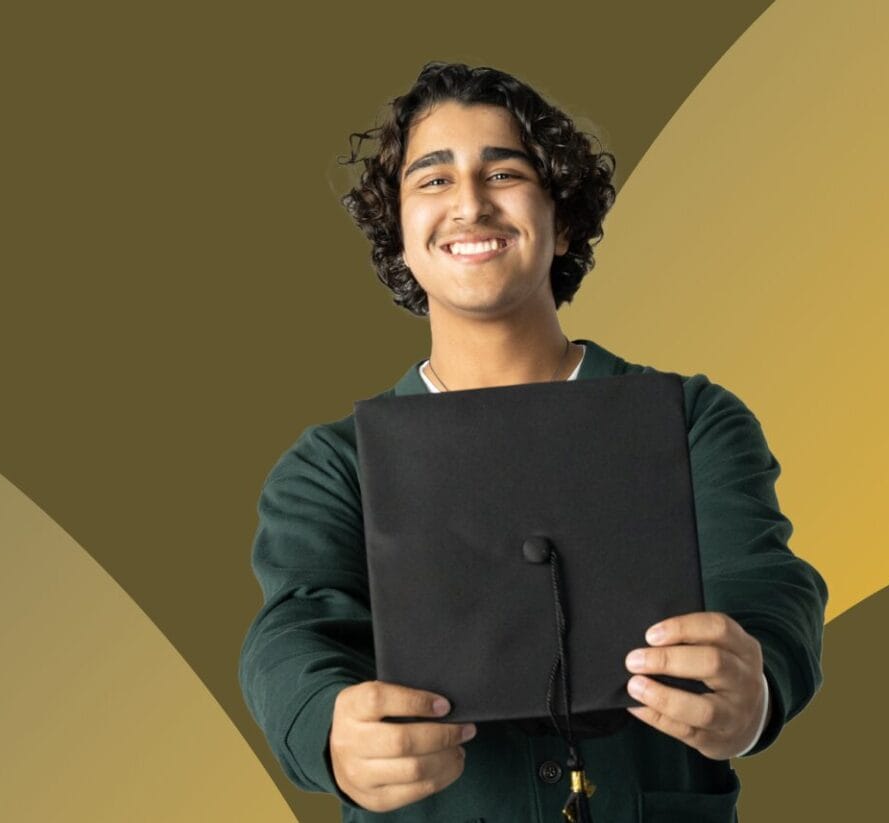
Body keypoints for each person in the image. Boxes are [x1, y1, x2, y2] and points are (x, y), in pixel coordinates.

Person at [237, 62, 827, 821]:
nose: (471, 204)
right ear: (399, 236)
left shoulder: (692, 421)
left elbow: (764, 584)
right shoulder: (332, 467)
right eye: (433, 181)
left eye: (504, 172)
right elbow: (293, 628)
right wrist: (324, 726)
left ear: (564, 218)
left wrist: (760, 684)